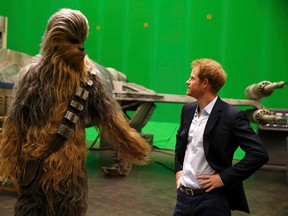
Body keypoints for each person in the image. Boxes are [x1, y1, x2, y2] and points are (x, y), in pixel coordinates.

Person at [0, 8, 150, 216]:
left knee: (71, 208)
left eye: (82, 42)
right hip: (36, 170)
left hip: (71, 171)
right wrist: (9, 160)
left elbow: (110, 117)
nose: (81, 48)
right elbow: (16, 122)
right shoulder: (32, 76)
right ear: (54, 41)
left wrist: (130, 143)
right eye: (73, 41)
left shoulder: (89, 78)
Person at [173, 58, 269, 216]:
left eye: (192, 78)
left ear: (205, 83)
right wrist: (179, 170)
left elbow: (259, 154)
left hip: (211, 202)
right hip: (182, 200)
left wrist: (223, 178)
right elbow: (180, 141)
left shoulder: (232, 116)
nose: (187, 81)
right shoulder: (188, 110)